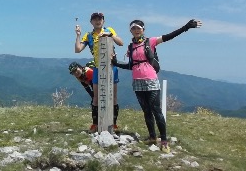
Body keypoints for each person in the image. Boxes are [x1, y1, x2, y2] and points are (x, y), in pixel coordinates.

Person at [112, 19, 202, 153]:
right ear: (131, 30)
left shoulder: (151, 41)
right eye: (133, 28)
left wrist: (185, 27)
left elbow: (168, 36)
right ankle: (152, 137)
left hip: (151, 80)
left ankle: (164, 141)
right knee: (146, 111)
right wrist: (116, 62)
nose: (136, 30)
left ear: (143, 29)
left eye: (138, 28)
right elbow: (132, 65)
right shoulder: (131, 47)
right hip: (137, 82)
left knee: (156, 110)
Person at [74, 12, 124, 133]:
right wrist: (78, 35)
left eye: (100, 19)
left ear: (103, 21)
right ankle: (95, 124)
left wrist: (111, 35)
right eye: (95, 19)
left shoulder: (109, 30)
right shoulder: (89, 35)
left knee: (114, 97)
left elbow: (121, 43)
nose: (98, 21)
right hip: (97, 68)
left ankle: (114, 123)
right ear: (91, 22)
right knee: (96, 98)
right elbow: (78, 50)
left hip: (112, 67)